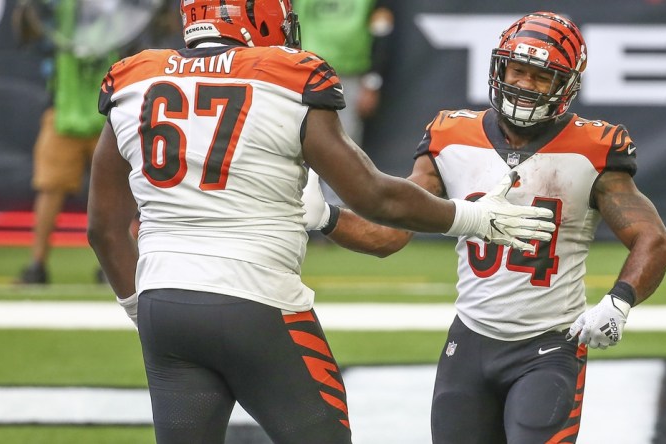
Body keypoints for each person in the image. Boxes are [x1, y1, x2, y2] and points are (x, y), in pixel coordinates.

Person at [86, 1, 555, 443]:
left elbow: (104, 228)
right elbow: (375, 196)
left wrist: (138, 305)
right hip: (257, 299)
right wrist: (473, 217)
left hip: (163, 303)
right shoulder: (288, 76)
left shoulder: (133, 79)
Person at [302, 12, 666, 443]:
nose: (525, 84)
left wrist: (619, 302)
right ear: (499, 67)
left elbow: (653, 240)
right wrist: (326, 218)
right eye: (518, 70)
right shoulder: (451, 135)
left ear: (566, 85)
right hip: (470, 341)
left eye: (541, 76)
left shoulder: (593, 149)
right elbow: (389, 234)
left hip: (549, 347)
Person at [11, 0, 119, 284]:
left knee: (116, 192)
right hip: (66, 110)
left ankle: (114, 264)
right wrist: (26, 7)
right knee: (51, 188)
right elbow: (26, 33)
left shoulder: (123, 10)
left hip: (108, 112)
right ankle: (37, 264)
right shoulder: (57, 7)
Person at [295, 0, 394, 206]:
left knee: (345, 147)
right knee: (292, 141)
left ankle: (338, 216)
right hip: (301, 71)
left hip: (348, 75)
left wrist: (372, 82)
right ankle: (294, 209)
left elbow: (383, 31)